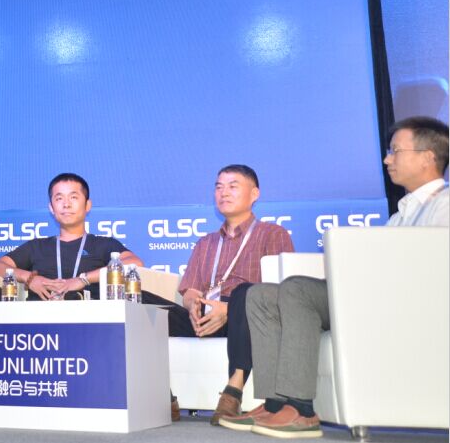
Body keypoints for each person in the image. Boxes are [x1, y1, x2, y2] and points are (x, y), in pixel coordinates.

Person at [220, 117, 449, 438]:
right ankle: (275, 403)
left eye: (395, 151)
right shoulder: (401, 214)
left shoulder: (444, 206)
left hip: (403, 306)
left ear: (427, 157)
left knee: (297, 289)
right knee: (260, 295)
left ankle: (300, 409)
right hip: (373, 295)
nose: (387, 160)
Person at [142, 165, 294, 424]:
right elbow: (190, 290)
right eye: (219, 187)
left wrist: (229, 309)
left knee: (244, 293)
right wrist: (193, 305)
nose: (224, 192)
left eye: (233, 186)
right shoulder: (206, 242)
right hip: (204, 314)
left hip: (248, 317)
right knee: (139, 303)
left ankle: (233, 392)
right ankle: (162, 396)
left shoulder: (273, 234)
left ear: (254, 194)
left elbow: (280, 292)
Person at [0, 172, 143, 301]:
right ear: (51, 208)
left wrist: (83, 279)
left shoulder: (103, 244)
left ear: (87, 205)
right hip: (39, 321)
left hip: (91, 320)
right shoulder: (37, 246)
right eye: (59, 198)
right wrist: (30, 278)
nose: (66, 204)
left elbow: (135, 263)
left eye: (73, 197)